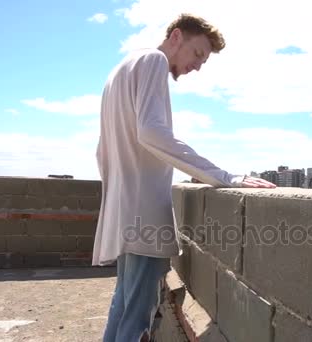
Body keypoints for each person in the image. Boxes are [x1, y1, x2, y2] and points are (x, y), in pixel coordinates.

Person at [93, 13, 276, 342]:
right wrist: (222, 176)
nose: (198, 66)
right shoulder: (152, 61)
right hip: (143, 216)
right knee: (136, 321)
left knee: (123, 308)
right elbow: (151, 132)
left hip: (123, 215)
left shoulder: (120, 70)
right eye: (198, 54)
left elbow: (101, 152)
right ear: (176, 37)